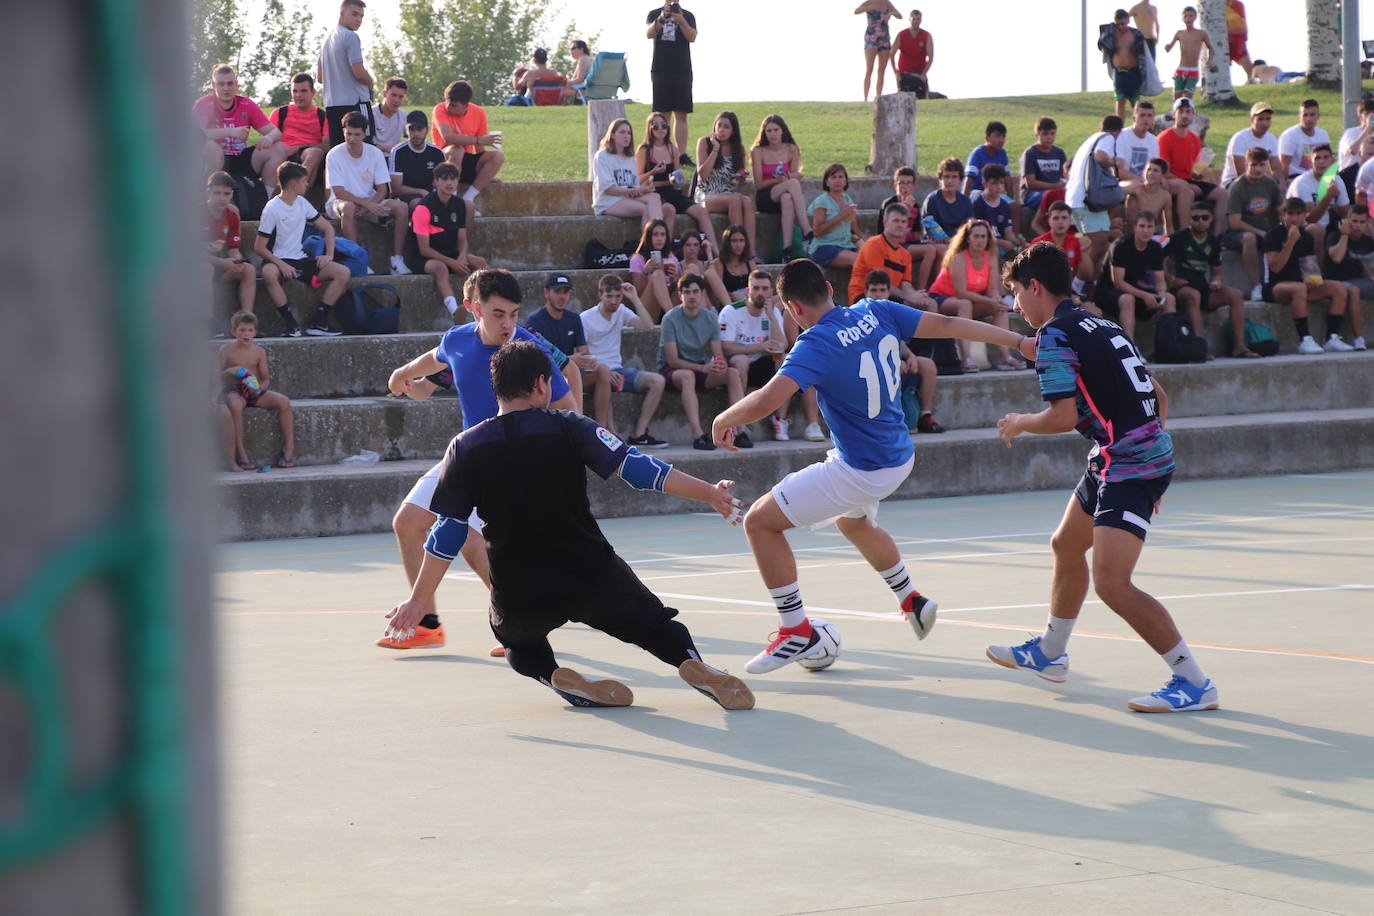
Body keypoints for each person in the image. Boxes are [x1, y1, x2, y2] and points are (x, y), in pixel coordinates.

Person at [384, 339, 755, 711]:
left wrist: (419, 601)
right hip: (591, 573)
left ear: (495, 388)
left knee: (519, 645)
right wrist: (709, 493)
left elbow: (448, 530)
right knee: (657, 627)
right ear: (542, 384)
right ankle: (691, 662)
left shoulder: (464, 447)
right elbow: (639, 470)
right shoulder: (569, 426)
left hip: (520, 590)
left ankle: (551, 673)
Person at [709, 258, 1036, 674]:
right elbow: (948, 325)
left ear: (792, 308)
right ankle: (911, 601)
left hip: (862, 468)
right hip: (898, 454)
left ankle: (796, 631)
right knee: (854, 522)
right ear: (829, 287)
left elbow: (770, 398)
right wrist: (1019, 342)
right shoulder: (874, 309)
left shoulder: (815, 343)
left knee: (759, 522)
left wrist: (724, 419)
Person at [991, 242, 1218, 713]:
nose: (1015, 305)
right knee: (1065, 545)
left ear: (1035, 287)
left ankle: (1194, 682)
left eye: (1015, 292)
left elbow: (1059, 416)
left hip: (1129, 463)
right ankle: (1051, 653)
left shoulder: (1055, 335)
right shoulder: (1101, 322)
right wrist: (1149, 444)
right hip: (1121, 455)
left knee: (1112, 584)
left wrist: (1018, 421)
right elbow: (1157, 393)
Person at [381, 269, 578, 652]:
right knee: (407, 523)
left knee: (473, 542)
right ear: (474, 309)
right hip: (467, 456)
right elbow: (428, 364)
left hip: (511, 466)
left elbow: (566, 408)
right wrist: (402, 377)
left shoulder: (526, 351)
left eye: (515, 314)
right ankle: (427, 625)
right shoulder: (456, 340)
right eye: (498, 314)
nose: (508, 324)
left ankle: (523, 624)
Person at [255, 162, 351, 337]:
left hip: (300, 258)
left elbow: (328, 229)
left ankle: (320, 321)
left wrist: (328, 255)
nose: (307, 184)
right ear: (293, 184)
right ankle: (290, 323)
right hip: (276, 259)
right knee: (269, 273)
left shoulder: (302, 203)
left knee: (343, 272)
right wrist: (282, 265)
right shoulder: (272, 209)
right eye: (304, 181)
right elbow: (259, 247)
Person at [659, 273, 748, 451]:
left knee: (732, 373)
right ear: (680, 295)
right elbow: (673, 360)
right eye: (687, 292)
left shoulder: (710, 318)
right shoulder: (670, 318)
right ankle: (698, 434)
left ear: (701, 294)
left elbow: (717, 353)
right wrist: (702, 367)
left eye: (695, 291)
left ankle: (740, 430)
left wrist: (720, 363)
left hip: (700, 367)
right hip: (673, 370)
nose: (691, 296)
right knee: (687, 376)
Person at [579, 274, 671, 446]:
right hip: (596, 372)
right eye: (609, 296)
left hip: (618, 372)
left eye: (618, 296)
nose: (614, 301)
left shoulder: (621, 310)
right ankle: (609, 434)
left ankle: (639, 434)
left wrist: (635, 298)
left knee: (658, 381)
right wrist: (603, 370)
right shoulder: (585, 318)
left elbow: (648, 326)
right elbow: (583, 353)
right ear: (600, 295)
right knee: (604, 376)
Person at [325, 112, 411, 275]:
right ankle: (358, 260)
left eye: (357, 134)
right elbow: (339, 192)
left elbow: (382, 190)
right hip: (340, 203)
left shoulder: (375, 153)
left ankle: (397, 259)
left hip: (369, 201)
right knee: (349, 208)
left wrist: (369, 205)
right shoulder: (334, 155)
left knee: (401, 208)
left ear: (365, 134)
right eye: (348, 133)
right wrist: (367, 205)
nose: (351, 138)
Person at [1265, 198, 1354, 354]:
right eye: (1290, 214)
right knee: (1299, 289)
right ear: (1283, 215)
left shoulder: (1306, 237)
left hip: (1301, 285)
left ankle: (1331, 338)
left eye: (1298, 214)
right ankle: (1304, 340)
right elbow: (1275, 268)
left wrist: (1313, 279)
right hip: (1275, 287)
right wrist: (1290, 242)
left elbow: (1309, 267)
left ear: (1304, 216)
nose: (1294, 218)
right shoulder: (1273, 235)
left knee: (1338, 288)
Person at [928, 219, 1019, 371]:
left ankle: (1004, 356)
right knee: (965, 304)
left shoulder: (990, 257)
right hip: (941, 298)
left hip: (970, 301)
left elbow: (991, 289)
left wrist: (996, 297)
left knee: (1000, 307)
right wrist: (989, 301)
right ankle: (966, 358)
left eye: (984, 236)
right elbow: (961, 292)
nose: (980, 240)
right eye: (976, 236)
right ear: (968, 238)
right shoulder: (959, 257)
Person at [1165, 201, 1251, 357]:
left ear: (1211, 219)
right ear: (1190, 219)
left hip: (1203, 286)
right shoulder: (1178, 238)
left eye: (1205, 217)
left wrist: (1216, 280)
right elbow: (1158, 262)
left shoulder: (1213, 241)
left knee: (1236, 295)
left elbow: (1216, 271)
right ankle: (1199, 347)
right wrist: (1171, 279)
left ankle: (1239, 346)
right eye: (1196, 218)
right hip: (1182, 288)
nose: (1200, 221)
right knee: (1193, 295)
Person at [864, 270, 944, 433]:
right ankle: (889, 419)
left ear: (888, 293)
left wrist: (910, 356)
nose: (878, 295)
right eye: (873, 290)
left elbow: (898, 342)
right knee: (893, 368)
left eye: (882, 290)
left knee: (927, 365)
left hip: (893, 359)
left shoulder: (891, 312)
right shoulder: (860, 315)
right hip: (870, 365)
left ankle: (925, 415)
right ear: (866, 292)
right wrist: (893, 361)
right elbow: (864, 350)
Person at [406, 162, 488, 319]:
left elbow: (462, 238)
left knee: (480, 263)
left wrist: (462, 256)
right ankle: (454, 311)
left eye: (453, 179)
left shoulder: (459, 204)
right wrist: (452, 262)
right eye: (444, 179)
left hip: (450, 253)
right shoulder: (423, 208)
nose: (449, 183)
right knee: (440, 268)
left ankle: (483, 305)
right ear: (435, 182)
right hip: (423, 258)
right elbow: (424, 249)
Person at [218, 311, 295, 470]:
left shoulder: (259, 351)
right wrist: (230, 371)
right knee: (235, 405)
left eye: (250, 330)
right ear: (234, 332)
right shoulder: (225, 350)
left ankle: (289, 449)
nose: (247, 334)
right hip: (234, 391)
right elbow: (216, 376)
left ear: (255, 332)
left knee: (284, 401)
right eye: (242, 330)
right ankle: (241, 452)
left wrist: (260, 389)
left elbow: (265, 379)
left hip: (254, 391)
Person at [721, 269, 790, 439]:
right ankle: (740, 423)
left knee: (786, 360)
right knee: (740, 361)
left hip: (760, 363)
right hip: (736, 365)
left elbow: (782, 344)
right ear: (748, 291)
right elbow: (727, 347)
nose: (760, 293)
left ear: (771, 292)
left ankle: (780, 419)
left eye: (765, 289)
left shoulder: (772, 311)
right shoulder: (731, 311)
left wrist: (772, 318)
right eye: (756, 288)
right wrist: (760, 346)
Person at [637, 113, 716, 254]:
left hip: (670, 190)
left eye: (664, 125)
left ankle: (716, 252)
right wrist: (652, 173)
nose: (660, 129)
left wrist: (677, 179)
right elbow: (637, 179)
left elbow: (676, 176)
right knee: (669, 210)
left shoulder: (672, 149)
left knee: (701, 211)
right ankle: (665, 252)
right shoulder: (644, 149)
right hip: (653, 191)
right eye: (655, 126)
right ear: (649, 128)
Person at [1094, 210, 1177, 340]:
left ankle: (1171, 346)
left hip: (1134, 290)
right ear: (1134, 228)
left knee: (1169, 298)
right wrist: (1146, 295)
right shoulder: (1121, 246)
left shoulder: (1155, 247)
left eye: (1149, 227)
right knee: (1128, 299)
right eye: (1142, 226)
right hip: (1107, 292)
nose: (1146, 230)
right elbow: (1118, 283)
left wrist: (1161, 292)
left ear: (1154, 229)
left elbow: (1160, 280)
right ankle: (1130, 349)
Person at [193, 64, 281, 184]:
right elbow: (194, 134)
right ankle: (208, 193)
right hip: (215, 158)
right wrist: (229, 131)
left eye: (230, 83)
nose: (226, 88)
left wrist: (269, 137)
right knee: (211, 147)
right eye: (221, 84)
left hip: (241, 157)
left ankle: (266, 197)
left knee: (279, 148)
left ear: (236, 84)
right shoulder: (203, 104)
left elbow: (276, 132)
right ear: (213, 85)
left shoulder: (246, 104)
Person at [1066, 116, 1127, 279]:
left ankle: (1091, 287)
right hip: (1086, 201)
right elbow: (1101, 156)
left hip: (1078, 198)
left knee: (1097, 247)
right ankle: (1081, 287)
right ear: (1118, 132)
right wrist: (1115, 162)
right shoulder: (1107, 137)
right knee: (1097, 248)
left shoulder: (1091, 139)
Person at [431, 80, 505, 214]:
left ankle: (467, 199)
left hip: (465, 160)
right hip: (443, 160)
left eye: (454, 105)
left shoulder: (478, 112)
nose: (448, 107)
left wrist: (486, 174)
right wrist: (478, 140)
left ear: (466, 106)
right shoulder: (439, 109)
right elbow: (447, 137)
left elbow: (480, 150)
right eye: (447, 102)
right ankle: (451, 201)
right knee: (457, 149)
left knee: (497, 156)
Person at [694, 112, 758, 260]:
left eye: (726, 127)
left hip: (727, 191)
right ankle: (737, 250)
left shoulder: (738, 149)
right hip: (706, 193)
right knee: (735, 200)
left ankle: (751, 252)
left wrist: (741, 176)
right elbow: (702, 175)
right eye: (719, 126)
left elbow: (736, 178)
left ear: (733, 131)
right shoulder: (704, 143)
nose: (722, 130)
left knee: (747, 201)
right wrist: (715, 149)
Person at [525, 273, 593, 410]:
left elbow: (584, 350)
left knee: (604, 372)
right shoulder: (535, 321)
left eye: (566, 292)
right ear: (546, 292)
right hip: (549, 375)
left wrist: (587, 360)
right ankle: (578, 421)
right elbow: (534, 361)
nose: (562, 296)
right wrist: (568, 360)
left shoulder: (574, 318)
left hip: (572, 373)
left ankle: (601, 427)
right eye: (557, 291)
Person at [1224, 146, 1283, 300]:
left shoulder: (1270, 184)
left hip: (1268, 229)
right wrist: (1261, 233)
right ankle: (1256, 286)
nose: (1257, 169)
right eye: (1253, 165)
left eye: (1262, 165)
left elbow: (1280, 210)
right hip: (1239, 232)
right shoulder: (1237, 187)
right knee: (1249, 238)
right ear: (1246, 165)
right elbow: (1235, 222)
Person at [849, 202, 934, 307]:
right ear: (885, 222)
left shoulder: (905, 255)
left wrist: (915, 295)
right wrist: (908, 296)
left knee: (930, 303)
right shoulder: (873, 244)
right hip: (866, 296)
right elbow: (879, 283)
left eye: (903, 221)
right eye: (896, 221)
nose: (900, 225)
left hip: (888, 296)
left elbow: (906, 285)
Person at [1158, 98, 1226, 230]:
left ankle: (1218, 235)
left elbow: (1194, 166)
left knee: (1222, 193)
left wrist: (1198, 173)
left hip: (1188, 180)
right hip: (1170, 181)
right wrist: (1188, 183)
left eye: (1188, 112)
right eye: (1181, 111)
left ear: (1193, 115)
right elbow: (1163, 170)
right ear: (1174, 115)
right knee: (1187, 191)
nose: (1184, 115)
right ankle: (1184, 232)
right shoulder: (1164, 137)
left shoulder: (1194, 138)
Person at [317, 0, 374, 148]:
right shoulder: (350, 36)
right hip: (355, 103)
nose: (359, 20)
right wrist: (370, 81)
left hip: (332, 106)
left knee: (339, 151)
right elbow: (359, 73)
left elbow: (320, 77)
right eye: (354, 14)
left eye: (361, 16)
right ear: (342, 13)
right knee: (365, 148)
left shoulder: (326, 40)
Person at [750, 114, 808, 260]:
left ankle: (786, 249)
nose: (773, 134)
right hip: (766, 195)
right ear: (764, 133)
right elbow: (759, 184)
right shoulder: (758, 151)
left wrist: (791, 177)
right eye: (769, 131)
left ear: (783, 131)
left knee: (788, 197)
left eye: (776, 130)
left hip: (784, 193)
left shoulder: (791, 149)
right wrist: (778, 180)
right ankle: (807, 230)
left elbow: (795, 173)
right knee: (792, 184)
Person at [593, 117, 665, 227]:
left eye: (629, 133)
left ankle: (659, 235)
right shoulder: (602, 156)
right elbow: (609, 190)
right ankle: (650, 241)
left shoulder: (630, 158)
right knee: (645, 209)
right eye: (622, 132)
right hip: (608, 202)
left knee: (655, 197)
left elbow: (632, 187)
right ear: (612, 135)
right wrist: (639, 189)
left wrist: (644, 189)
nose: (626, 136)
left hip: (626, 198)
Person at [205, 171, 256, 320]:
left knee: (249, 270)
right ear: (208, 192)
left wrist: (237, 261)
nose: (222, 198)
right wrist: (222, 262)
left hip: (220, 264)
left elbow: (234, 248)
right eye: (217, 193)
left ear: (232, 194)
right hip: (196, 267)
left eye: (226, 194)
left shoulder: (232, 215)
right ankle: (209, 322)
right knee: (205, 268)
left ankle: (246, 321)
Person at [264, 73, 328, 194]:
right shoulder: (280, 113)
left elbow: (326, 145)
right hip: (283, 153)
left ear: (312, 92)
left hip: (308, 153)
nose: (298, 95)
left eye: (303, 91)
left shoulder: (322, 115)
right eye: (295, 91)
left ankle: (293, 192)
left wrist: (299, 147)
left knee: (315, 152)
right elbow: (268, 139)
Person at [646, 1, 697, 150]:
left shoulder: (687, 15)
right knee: (662, 114)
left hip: (682, 69)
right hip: (661, 69)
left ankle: (681, 153)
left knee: (681, 114)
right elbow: (649, 33)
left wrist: (681, 20)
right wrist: (662, 17)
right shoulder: (654, 14)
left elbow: (692, 37)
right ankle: (662, 150)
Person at [881, 166, 940, 290]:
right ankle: (921, 290)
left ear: (914, 186)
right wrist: (906, 212)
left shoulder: (915, 206)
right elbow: (893, 238)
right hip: (889, 246)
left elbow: (916, 235)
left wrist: (925, 240)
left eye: (908, 183)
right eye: (901, 183)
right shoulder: (889, 205)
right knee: (930, 250)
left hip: (908, 245)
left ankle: (927, 290)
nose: (905, 187)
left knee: (935, 248)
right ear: (895, 186)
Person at [1321, 210, 1371, 350]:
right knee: (1353, 290)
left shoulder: (1369, 242)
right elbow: (1336, 257)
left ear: (1368, 223)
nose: (1357, 226)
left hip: (1361, 281)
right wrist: (1345, 234)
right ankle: (1359, 339)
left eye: (1362, 222)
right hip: (1336, 282)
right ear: (1346, 221)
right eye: (1354, 221)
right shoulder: (1335, 236)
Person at [1285, 142, 1348, 253]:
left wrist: (1336, 203)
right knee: (1317, 229)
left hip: (1329, 224)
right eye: (1317, 158)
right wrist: (1328, 197)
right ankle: (1321, 269)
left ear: (1332, 161)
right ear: (1311, 162)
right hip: (1301, 228)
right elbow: (1310, 219)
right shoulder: (1302, 183)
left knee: (1358, 224)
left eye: (1326, 157)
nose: (1321, 161)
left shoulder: (1337, 180)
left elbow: (1344, 213)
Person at [1032, 201, 1096, 296]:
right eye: (1056, 218)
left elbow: (1088, 275)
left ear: (1070, 220)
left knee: (1091, 309)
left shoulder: (1075, 241)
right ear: (1049, 221)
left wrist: (1084, 250)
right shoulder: (1038, 243)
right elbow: (1032, 273)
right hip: (1044, 292)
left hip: (1068, 290)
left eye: (1064, 218)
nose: (1060, 222)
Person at [807, 163, 863, 271]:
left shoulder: (847, 199)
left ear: (846, 181)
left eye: (841, 177)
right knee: (859, 260)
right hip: (825, 247)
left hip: (847, 245)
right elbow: (817, 232)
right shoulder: (821, 202)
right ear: (827, 182)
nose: (837, 180)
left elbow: (856, 230)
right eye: (833, 177)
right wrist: (841, 215)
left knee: (873, 258)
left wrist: (872, 241)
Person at [1098, 9, 1147, 119]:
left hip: (1133, 72)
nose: (1122, 27)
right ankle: (1118, 130)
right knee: (1120, 101)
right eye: (1119, 24)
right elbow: (1105, 49)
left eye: (1124, 24)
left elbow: (1144, 53)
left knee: (1135, 103)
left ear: (1128, 21)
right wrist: (1105, 44)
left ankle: (1138, 127)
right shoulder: (1110, 35)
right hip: (1119, 73)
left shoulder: (1135, 34)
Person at [389, 110, 445, 206]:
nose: (416, 133)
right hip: (406, 196)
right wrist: (421, 192)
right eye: (412, 129)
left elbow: (442, 182)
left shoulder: (437, 152)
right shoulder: (398, 152)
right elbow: (395, 189)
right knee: (421, 204)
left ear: (426, 130)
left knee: (466, 206)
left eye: (419, 129)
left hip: (431, 195)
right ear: (406, 131)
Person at [629, 219, 681, 322]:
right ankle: (673, 317)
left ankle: (673, 316)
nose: (659, 238)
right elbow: (639, 293)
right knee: (657, 274)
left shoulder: (671, 258)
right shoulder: (638, 259)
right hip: (648, 309)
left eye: (663, 235)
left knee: (687, 276)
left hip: (669, 304)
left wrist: (675, 278)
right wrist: (645, 272)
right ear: (648, 237)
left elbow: (679, 290)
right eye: (655, 235)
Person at [971, 164, 1024, 261]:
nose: (999, 187)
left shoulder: (1004, 205)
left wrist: (1017, 241)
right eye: (994, 183)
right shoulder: (978, 204)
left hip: (1001, 243)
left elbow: (1008, 231)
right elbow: (978, 234)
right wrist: (1004, 243)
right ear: (985, 184)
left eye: (1001, 183)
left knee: (1023, 253)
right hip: (986, 243)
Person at [1221, 102, 1278, 185]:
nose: (1265, 123)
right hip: (1235, 182)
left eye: (1268, 119)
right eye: (1260, 119)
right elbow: (1241, 173)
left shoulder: (1272, 139)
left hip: (1260, 179)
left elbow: (1276, 168)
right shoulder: (1240, 138)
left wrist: (1281, 186)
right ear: (1252, 120)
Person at [1278, 100, 1330, 189]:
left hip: (1318, 177)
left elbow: (1328, 160)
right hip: (1296, 178)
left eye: (1312, 115)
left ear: (1318, 116)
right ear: (1299, 116)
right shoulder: (1289, 135)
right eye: (1305, 115)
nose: (1308, 119)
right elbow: (1284, 165)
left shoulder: (1323, 134)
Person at [855, 0, 901, 101]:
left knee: (881, 70)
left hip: (884, 38)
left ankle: (878, 97)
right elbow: (856, 11)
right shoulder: (869, 2)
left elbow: (899, 15)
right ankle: (865, 99)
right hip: (871, 38)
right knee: (869, 69)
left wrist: (891, 13)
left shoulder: (887, 3)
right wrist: (869, 8)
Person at [1163, 5, 1211, 100]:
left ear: (1195, 17)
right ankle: (1175, 113)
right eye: (1185, 16)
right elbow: (1169, 47)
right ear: (1182, 18)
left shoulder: (1201, 33)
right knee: (1177, 98)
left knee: (1188, 97)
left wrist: (1209, 60)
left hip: (1193, 70)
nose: (1188, 18)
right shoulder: (1179, 33)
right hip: (1181, 70)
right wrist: (1167, 47)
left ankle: (1189, 112)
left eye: (1190, 16)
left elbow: (1211, 48)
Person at [1020, 117, 1068, 212]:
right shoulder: (1030, 153)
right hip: (1033, 194)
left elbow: (1065, 176)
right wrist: (1055, 186)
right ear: (1037, 135)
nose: (1049, 137)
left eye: (1052, 134)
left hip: (1056, 189)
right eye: (1045, 134)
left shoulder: (1059, 153)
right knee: (1050, 196)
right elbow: (1030, 183)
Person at [922, 156, 973, 240]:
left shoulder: (965, 201)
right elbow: (930, 228)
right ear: (940, 179)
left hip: (959, 242)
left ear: (960, 180)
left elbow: (968, 226)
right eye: (946, 177)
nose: (950, 181)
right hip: (938, 242)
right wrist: (947, 240)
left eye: (954, 177)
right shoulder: (932, 200)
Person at [676, 231, 731, 307]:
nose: (692, 248)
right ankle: (707, 310)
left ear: (700, 247)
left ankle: (730, 308)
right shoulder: (678, 265)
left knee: (710, 273)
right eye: (688, 245)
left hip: (712, 300)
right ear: (682, 247)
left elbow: (714, 275)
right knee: (692, 268)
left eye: (696, 245)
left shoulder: (706, 264)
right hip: (689, 302)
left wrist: (709, 252)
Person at [1124, 158, 1175, 236]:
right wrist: (1130, 183)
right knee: (1132, 198)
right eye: (1148, 169)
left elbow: (1169, 226)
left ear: (1162, 175)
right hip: (1130, 234)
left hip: (1150, 233)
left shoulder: (1165, 196)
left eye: (1155, 171)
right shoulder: (1136, 188)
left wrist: (1171, 243)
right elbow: (1117, 187)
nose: (1151, 173)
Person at [891, 8, 933, 96]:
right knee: (903, 99)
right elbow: (891, 55)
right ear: (910, 19)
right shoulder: (902, 35)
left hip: (919, 74)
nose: (916, 21)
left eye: (918, 19)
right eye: (914, 19)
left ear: (921, 20)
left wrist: (924, 74)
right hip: (904, 74)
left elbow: (931, 58)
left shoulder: (926, 36)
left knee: (923, 98)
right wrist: (896, 73)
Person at [963, 121, 1009, 197]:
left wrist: (1010, 199)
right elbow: (969, 178)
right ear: (987, 138)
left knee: (1014, 206)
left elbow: (1007, 177)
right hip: (978, 192)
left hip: (995, 192)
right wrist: (965, 201)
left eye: (1003, 136)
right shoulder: (977, 153)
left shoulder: (1002, 153)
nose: (1001, 140)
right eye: (997, 136)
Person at [712, 224, 755, 302]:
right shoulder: (719, 263)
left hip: (751, 300)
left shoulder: (750, 262)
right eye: (734, 241)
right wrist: (733, 295)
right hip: (731, 303)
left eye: (741, 240)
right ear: (727, 242)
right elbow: (717, 292)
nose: (738, 245)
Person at [371, 76, 408, 154]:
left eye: (400, 97)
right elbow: (367, 144)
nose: (396, 100)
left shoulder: (404, 116)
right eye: (393, 95)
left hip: (394, 158)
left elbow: (412, 141)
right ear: (384, 93)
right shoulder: (371, 114)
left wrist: (383, 147)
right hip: (374, 158)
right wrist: (394, 148)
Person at [1337, 99, 1374, 171]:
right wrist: (1367, 129)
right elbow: (1353, 150)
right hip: (1349, 176)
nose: (1372, 117)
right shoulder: (1350, 133)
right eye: (1368, 114)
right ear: (1360, 116)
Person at [1225, 0, 1254, 82]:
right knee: (1223, 66)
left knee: (1249, 67)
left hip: (1238, 39)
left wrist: (1245, 37)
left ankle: (1251, 83)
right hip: (1223, 40)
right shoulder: (1214, 6)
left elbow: (1243, 21)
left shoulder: (1238, 4)